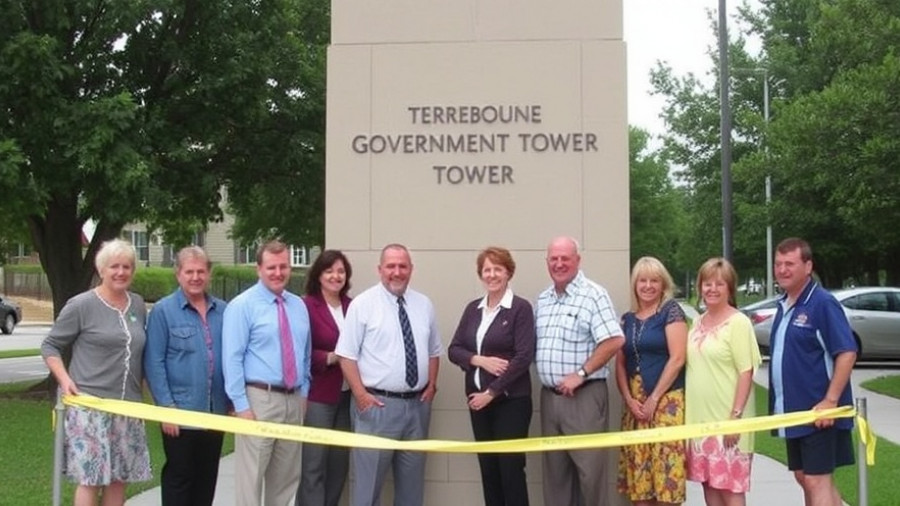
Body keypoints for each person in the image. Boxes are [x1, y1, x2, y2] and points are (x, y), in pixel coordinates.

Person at [41, 239, 151, 506]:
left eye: (126, 267)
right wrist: (65, 380)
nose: (121, 272)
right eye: (114, 266)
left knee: (119, 478)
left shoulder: (137, 305)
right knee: (91, 477)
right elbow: (50, 345)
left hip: (128, 407)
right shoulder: (81, 305)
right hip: (90, 407)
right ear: (101, 269)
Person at [335, 243, 442, 506]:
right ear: (380, 269)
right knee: (368, 490)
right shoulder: (363, 304)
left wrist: (431, 386)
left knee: (411, 490)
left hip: (417, 407)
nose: (397, 272)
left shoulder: (424, 304)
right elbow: (346, 355)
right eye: (391, 266)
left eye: (402, 266)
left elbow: (434, 351)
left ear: (411, 269)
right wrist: (361, 395)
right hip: (376, 407)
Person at [534, 236, 625, 506]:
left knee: (590, 476)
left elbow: (614, 340)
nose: (559, 264)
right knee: (556, 479)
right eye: (554, 259)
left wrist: (581, 373)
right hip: (550, 399)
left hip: (584, 398)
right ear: (547, 262)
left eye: (565, 258)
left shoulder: (593, 294)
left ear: (577, 260)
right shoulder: (544, 299)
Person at [222, 240, 312, 506]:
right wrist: (241, 406)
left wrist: (304, 393)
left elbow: (305, 354)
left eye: (284, 266)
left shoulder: (299, 306)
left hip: (293, 399)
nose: (278, 273)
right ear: (258, 269)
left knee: (286, 480)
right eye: (271, 267)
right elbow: (232, 358)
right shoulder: (242, 306)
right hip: (259, 400)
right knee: (251, 479)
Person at [769, 238, 857, 506]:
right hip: (795, 413)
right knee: (805, 477)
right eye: (778, 264)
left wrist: (830, 401)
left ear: (808, 266)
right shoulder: (784, 305)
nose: (782, 270)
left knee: (816, 480)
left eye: (790, 264)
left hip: (820, 414)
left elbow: (846, 352)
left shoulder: (822, 303)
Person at [448, 247, 536, 506]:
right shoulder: (473, 309)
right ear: (480, 274)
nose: (492, 275)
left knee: (511, 471)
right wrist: (479, 360)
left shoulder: (520, 308)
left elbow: (523, 357)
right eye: (487, 270)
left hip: (511, 402)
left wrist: (491, 392)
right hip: (478, 403)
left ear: (509, 273)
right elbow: (454, 349)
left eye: (498, 269)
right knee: (489, 471)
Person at [143, 246, 228, 506]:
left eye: (201, 271)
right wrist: (166, 408)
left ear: (209, 274)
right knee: (180, 478)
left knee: (206, 480)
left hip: (215, 412)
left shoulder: (224, 311)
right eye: (189, 272)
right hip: (180, 413)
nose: (195, 277)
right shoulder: (163, 311)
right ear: (178, 274)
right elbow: (154, 362)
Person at [685, 258, 761, 506]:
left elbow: (746, 371)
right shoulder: (697, 322)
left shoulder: (738, 323)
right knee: (710, 487)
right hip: (700, 422)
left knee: (730, 490)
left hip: (728, 420)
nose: (712, 289)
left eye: (719, 284)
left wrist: (734, 418)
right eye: (707, 284)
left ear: (730, 288)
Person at [616, 256, 688, 506]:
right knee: (640, 480)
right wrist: (629, 399)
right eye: (642, 280)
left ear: (663, 284)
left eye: (654, 281)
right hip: (635, 407)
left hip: (666, 402)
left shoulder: (670, 312)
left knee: (667, 475)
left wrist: (654, 398)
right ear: (635, 284)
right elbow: (620, 363)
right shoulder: (627, 320)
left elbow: (678, 358)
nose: (648, 286)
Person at [296, 250, 353, 506]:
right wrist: (330, 357)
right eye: (329, 271)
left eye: (340, 271)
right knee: (314, 464)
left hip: (348, 396)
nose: (335, 276)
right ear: (319, 275)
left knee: (339, 464)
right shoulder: (306, 306)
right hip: (319, 395)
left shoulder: (353, 306)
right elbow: (298, 351)